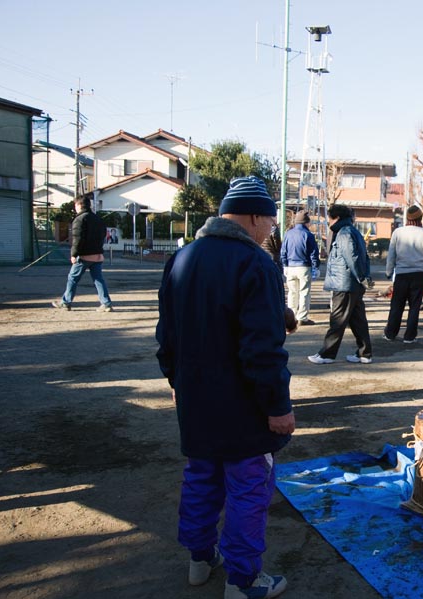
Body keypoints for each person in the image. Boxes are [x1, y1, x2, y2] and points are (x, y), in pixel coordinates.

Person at [155, 176, 295, 599]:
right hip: (244, 405)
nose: (272, 229)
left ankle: (200, 559)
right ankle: (244, 580)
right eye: (270, 221)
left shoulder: (182, 257)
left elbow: (168, 335)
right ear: (253, 217)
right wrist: (278, 406)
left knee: (201, 477)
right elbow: (263, 348)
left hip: (196, 399)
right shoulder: (255, 264)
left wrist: (175, 380)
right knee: (248, 488)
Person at [308, 203, 373, 365]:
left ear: (336, 217)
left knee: (337, 320)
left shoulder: (344, 233)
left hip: (344, 283)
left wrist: (361, 277)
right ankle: (364, 353)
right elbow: (362, 257)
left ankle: (327, 354)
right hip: (352, 284)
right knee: (358, 321)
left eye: (328, 218)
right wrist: (363, 278)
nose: (328, 222)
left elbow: (352, 258)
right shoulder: (352, 231)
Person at [51, 194, 113, 312]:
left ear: (79, 205)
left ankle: (66, 302)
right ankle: (106, 303)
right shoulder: (98, 219)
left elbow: (77, 238)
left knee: (72, 278)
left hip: (84, 255)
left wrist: (74, 254)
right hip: (97, 255)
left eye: (75, 205)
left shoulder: (79, 219)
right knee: (98, 279)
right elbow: (103, 235)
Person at [383, 204, 423, 343]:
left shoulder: (398, 233)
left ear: (407, 217)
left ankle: (390, 334)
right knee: (414, 307)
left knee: (396, 306)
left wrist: (389, 272)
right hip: (418, 275)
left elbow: (391, 255)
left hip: (401, 274)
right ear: (420, 218)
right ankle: (409, 336)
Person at [282, 210, 320, 326]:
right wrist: (316, 267)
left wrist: (285, 265)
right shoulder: (308, 235)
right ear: (306, 222)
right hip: (304, 267)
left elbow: (283, 251)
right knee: (304, 292)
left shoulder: (288, 234)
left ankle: (291, 317)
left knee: (292, 292)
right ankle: (302, 318)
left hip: (290, 266)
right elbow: (314, 253)